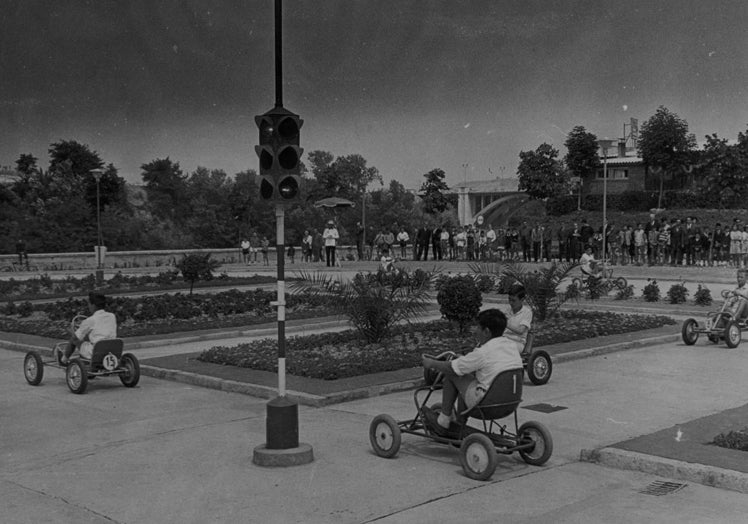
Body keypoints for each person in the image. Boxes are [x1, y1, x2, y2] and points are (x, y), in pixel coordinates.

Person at [421, 309, 522, 436]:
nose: (475, 331)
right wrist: (464, 360)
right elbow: (481, 363)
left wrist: (432, 364)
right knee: (468, 380)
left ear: (486, 332)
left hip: (487, 405)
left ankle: (444, 420)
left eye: (478, 327)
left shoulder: (483, 352)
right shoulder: (511, 346)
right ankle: (459, 422)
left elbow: (453, 368)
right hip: (510, 403)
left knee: (453, 374)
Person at [59, 292, 117, 365]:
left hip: (94, 352)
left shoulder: (90, 320)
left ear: (93, 305)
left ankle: (63, 360)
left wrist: (71, 331)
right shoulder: (112, 316)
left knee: (73, 339)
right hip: (111, 351)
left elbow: (76, 337)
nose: (88, 306)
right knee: (89, 340)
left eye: (89, 304)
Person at [504, 284, 533, 355]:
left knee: (501, 348)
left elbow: (520, 330)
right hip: (504, 340)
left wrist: (504, 322)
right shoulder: (507, 311)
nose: (510, 303)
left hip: (517, 343)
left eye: (513, 300)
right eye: (509, 299)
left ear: (522, 300)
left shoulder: (527, 312)